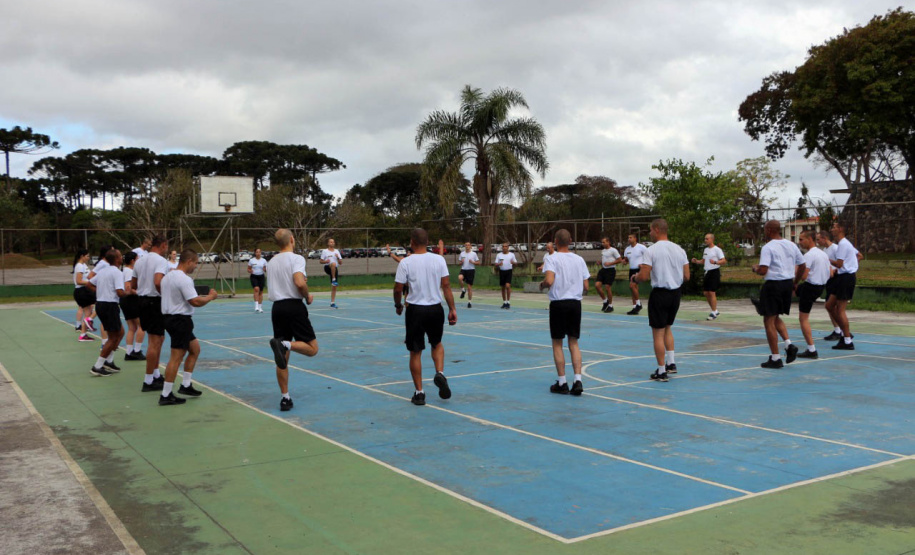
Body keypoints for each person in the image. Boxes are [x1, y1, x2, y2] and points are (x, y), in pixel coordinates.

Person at [394, 228, 457, 406]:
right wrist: (452, 308)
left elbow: (398, 288)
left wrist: (398, 305)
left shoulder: (405, 262)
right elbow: (446, 286)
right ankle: (440, 372)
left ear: (412, 242)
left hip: (415, 310)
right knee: (436, 343)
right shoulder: (439, 259)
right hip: (435, 309)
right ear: (427, 241)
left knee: (415, 351)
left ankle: (420, 393)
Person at [267, 229, 319, 412]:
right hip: (294, 307)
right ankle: (285, 344)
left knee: (282, 360)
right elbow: (299, 282)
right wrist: (307, 296)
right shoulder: (296, 259)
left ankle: (285, 398)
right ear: (291, 239)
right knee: (312, 349)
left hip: (277, 309)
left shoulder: (271, 262)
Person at [159, 249, 219, 406]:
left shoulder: (168, 277)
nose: (195, 267)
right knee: (176, 357)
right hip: (179, 320)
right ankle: (166, 394)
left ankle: (186, 385)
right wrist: (210, 297)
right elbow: (195, 301)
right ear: (189, 261)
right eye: (196, 263)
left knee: (195, 349)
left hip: (171, 318)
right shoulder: (183, 279)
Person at [631, 220, 689, 382]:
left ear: (656, 230)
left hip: (660, 294)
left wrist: (635, 278)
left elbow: (643, 276)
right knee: (668, 328)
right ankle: (671, 362)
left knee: (658, 333)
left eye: (650, 230)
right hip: (675, 294)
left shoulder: (651, 251)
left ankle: (661, 370)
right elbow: (687, 276)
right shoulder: (679, 249)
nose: (649, 233)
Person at [540, 229, 590, 395]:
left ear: (555, 241)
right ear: (570, 240)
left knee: (557, 343)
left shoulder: (551, 259)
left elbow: (549, 280)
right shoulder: (579, 259)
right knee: (573, 342)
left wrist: (542, 285)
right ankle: (578, 380)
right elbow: (586, 287)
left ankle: (562, 382)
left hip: (559, 304)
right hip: (575, 304)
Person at [751, 220, 806, 368]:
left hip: (773, 284)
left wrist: (756, 268)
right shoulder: (791, 245)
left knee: (768, 320)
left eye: (764, 229)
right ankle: (789, 345)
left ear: (769, 230)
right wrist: (796, 281)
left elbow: (764, 270)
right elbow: (802, 265)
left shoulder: (768, 247)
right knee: (775, 317)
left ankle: (775, 358)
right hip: (787, 283)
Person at [133, 235, 169, 392]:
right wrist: (165, 294)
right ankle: (148, 381)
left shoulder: (140, 260)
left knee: (159, 338)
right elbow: (157, 281)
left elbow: (133, 283)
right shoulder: (160, 261)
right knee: (154, 341)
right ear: (162, 245)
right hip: (154, 301)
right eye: (166, 246)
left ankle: (155, 374)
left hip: (142, 300)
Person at [86, 249, 126, 377]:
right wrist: (131, 294)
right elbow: (120, 292)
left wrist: (101, 291)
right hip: (109, 305)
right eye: (120, 255)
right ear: (117, 259)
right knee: (113, 337)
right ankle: (98, 366)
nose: (122, 257)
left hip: (101, 305)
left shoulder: (103, 271)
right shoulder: (117, 273)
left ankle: (108, 361)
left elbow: (89, 284)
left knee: (120, 332)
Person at [795, 231, 831, 359]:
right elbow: (830, 273)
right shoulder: (823, 254)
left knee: (803, 319)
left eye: (801, 239)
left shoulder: (809, 256)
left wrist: (795, 276)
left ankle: (811, 349)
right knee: (792, 289)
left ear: (810, 239)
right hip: (819, 287)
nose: (799, 242)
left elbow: (803, 276)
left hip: (810, 287)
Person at [825, 222, 858, 350]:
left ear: (840, 229)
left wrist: (825, 259)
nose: (832, 229)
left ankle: (847, 340)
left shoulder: (844, 244)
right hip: (841, 277)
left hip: (846, 278)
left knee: (840, 310)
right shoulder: (842, 244)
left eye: (833, 227)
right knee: (829, 305)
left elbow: (839, 264)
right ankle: (845, 333)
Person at [691, 233, 727, 320]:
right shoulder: (706, 250)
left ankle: (713, 312)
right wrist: (696, 261)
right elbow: (703, 261)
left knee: (711, 292)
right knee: (706, 293)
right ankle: (715, 310)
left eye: (707, 239)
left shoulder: (717, 250)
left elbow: (724, 261)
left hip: (714, 272)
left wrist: (715, 262)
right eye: (705, 239)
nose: (705, 240)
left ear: (712, 239)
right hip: (707, 272)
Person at [120, 252, 146, 361]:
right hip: (131, 300)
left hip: (125, 301)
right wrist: (139, 292)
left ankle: (129, 352)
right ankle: (137, 350)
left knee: (132, 327)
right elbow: (128, 287)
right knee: (142, 325)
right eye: (137, 259)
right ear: (132, 261)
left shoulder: (124, 271)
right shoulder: (129, 271)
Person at [72, 249, 96, 342]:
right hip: (82, 291)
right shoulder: (79, 266)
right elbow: (79, 281)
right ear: (82, 256)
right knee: (101, 303)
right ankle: (90, 320)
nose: (88, 258)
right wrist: (91, 282)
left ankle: (83, 335)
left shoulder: (83, 265)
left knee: (88, 312)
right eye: (87, 256)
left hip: (84, 290)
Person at [622, 233, 648, 315]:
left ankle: (639, 304)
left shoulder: (641, 247)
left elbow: (648, 257)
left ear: (635, 238)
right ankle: (635, 307)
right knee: (633, 288)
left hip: (639, 269)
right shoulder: (627, 249)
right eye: (628, 237)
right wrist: (624, 261)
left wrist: (643, 265)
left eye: (631, 237)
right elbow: (626, 259)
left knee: (632, 285)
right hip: (631, 269)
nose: (629, 239)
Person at [595, 237, 622, 313]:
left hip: (610, 270)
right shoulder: (603, 251)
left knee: (607, 287)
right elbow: (604, 259)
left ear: (608, 242)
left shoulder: (613, 250)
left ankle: (610, 305)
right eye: (602, 242)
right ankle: (605, 301)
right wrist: (600, 262)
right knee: (597, 285)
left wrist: (610, 263)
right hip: (603, 270)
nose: (602, 244)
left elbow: (619, 260)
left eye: (604, 242)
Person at [494, 242, 518, 309]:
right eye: (503, 246)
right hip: (502, 271)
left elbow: (516, 263)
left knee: (507, 286)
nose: (504, 248)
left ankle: (508, 301)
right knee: (503, 287)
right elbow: (495, 263)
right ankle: (504, 302)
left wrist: (513, 263)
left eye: (505, 246)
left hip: (509, 271)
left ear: (508, 247)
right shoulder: (499, 255)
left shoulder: (511, 255)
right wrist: (499, 264)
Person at [320, 238, 343, 308]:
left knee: (334, 286)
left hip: (334, 269)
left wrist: (338, 258)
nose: (332, 243)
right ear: (328, 243)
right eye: (330, 242)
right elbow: (320, 261)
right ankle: (333, 279)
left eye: (333, 242)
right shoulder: (325, 251)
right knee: (332, 264)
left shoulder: (336, 251)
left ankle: (332, 302)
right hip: (327, 267)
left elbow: (341, 263)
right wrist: (325, 261)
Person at [457, 242, 481, 308]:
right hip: (463, 269)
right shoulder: (462, 253)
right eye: (466, 245)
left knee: (469, 287)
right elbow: (459, 263)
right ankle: (463, 290)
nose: (467, 246)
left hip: (471, 270)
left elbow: (478, 262)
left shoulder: (474, 254)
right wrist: (461, 262)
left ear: (470, 246)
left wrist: (473, 262)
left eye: (468, 245)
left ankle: (469, 302)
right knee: (459, 278)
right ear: (465, 246)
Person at [248, 248, 267, 313]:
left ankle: (260, 307)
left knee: (261, 292)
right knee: (256, 289)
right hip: (254, 276)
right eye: (257, 252)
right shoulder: (251, 260)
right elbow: (248, 269)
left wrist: (265, 269)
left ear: (261, 253)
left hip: (261, 276)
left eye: (259, 252)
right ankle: (256, 306)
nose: (258, 253)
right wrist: (250, 271)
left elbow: (266, 269)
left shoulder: (264, 260)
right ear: (255, 253)